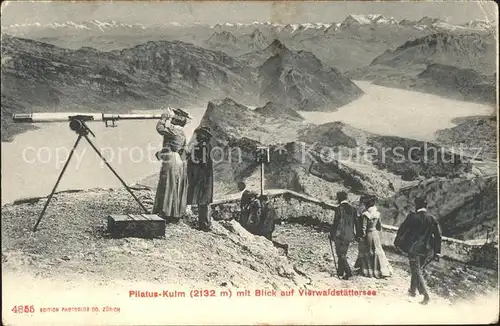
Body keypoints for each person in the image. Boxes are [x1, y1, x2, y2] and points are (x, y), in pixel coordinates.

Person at [395, 197, 442, 305]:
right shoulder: (432, 219)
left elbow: (401, 230)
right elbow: (438, 237)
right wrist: (437, 252)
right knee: (417, 269)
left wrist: (397, 242)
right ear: (425, 206)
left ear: (417, 206)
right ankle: (412, 290)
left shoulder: (412, 217)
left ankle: (426, 295)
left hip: (414, 248)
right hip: (427, 250)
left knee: (416, 270)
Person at [152, 108, 188, 223]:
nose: (171, 120)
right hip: (177, 159)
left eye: (173, 119)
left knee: (167, 183)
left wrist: (163, 118)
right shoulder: (182, 132)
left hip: (170, 159)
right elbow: (183, 150)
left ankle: (165, 212)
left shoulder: (174, 130)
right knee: (174, 185)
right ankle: (173, 213)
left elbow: (160, 129)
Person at [186, 126, 214, 231]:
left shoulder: (202, 146)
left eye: (200, 133)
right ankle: (204, 224)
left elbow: (203, 161)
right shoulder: (206, 145)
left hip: (203, 177)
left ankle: (204, 225)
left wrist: (193, 160)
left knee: (203, 201)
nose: (197, 135)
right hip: (206, 176)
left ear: (203, 136)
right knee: (204, 201)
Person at [357, 195, 392, 279]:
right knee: (377, 250)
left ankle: (369, 270)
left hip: (368, 234)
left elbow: (363, 227)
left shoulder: (365, 214)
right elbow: (379, 227)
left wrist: (362, 236)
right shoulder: (377, 214)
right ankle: (381, 270)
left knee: (369, 251)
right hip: (375, 234)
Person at [329, 191, 358, 280]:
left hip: (340, 234)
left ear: (339, 199)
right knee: (343, 254)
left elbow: (335, 223)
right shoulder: (353, 209)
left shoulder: (339, 209)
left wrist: (331, 233)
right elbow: (357, 223)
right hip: (349, 235)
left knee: (340, 254)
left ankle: (348, 272)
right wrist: (357, 235)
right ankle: (340, 272)